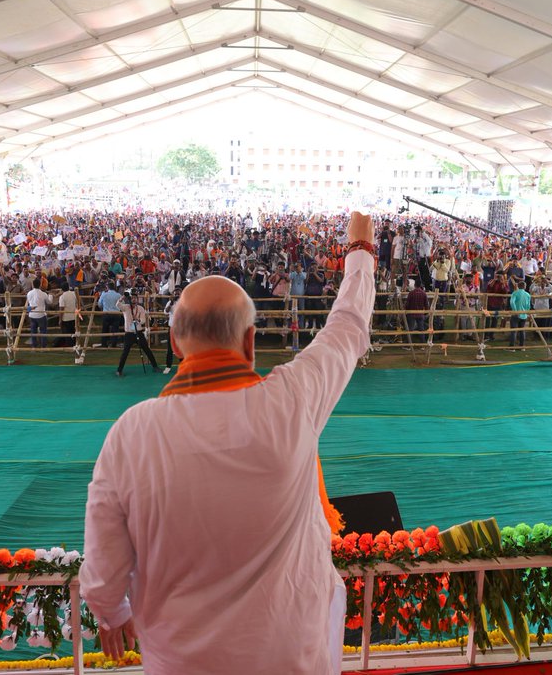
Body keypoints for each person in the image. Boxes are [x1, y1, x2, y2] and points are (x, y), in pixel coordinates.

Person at [80, 211, 376, 675]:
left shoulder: (131, 433)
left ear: (175, 345)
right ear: (251, 342)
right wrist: (361, 251)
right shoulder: (292, 402)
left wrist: (111, 613)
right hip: (292, 657)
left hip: (181, 663)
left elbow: (102, 569)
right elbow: (348, 327)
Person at [115, 289, 160, 376]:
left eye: (135, 298)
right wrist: (123, 297)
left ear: (137, 299)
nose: (134, 299)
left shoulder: (141, 308)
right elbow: (117, 305)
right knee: (125, 352)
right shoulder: (125, 307)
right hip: (129, 333)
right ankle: (119, 370)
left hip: (138, 332)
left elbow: (143, 320)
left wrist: (138, 320)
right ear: (130, 299)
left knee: (147, 350)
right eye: (132, 298)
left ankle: (155, 366)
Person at [26, 281, 53, 348]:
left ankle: (34, 345)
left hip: (32, 314)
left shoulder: (29, 293)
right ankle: (43, 346)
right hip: (41, 314)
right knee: (43, 331)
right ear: (40, 285)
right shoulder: (43, 294)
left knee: (33, 331)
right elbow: (49, 302)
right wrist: (51, 295)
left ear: (33, 285)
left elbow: (29, 302)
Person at [98, 281, 122, 348]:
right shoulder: (118, 295)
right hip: (116, 314)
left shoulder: (104, 294)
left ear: (107, 287)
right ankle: (114, 344)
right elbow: (122, 304)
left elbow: (99, 304)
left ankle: (104, 344)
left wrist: (104, 307)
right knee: (115, 329)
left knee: (105, 329)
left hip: (106, 313)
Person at [508, 279, 530, 350]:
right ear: (524, 287)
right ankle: (522, 346)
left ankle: (512, 347)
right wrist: (526, 312)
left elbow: (512, 302)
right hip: (524, 315)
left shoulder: (515, 293)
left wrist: (515, 311)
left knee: (513, 331)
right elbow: (528, 306)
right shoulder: (528, 295)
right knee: (522, 331)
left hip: (516, 314)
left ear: (518, 286)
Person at [57, 283, 79, 349]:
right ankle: (75, 343)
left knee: (67, 333)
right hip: (74, 316)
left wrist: (60, 319)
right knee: (74, 331)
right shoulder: (73, 294)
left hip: (66, 318)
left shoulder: (62, 297)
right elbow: (77, 303)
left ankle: (70, 346)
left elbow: (61, 309)